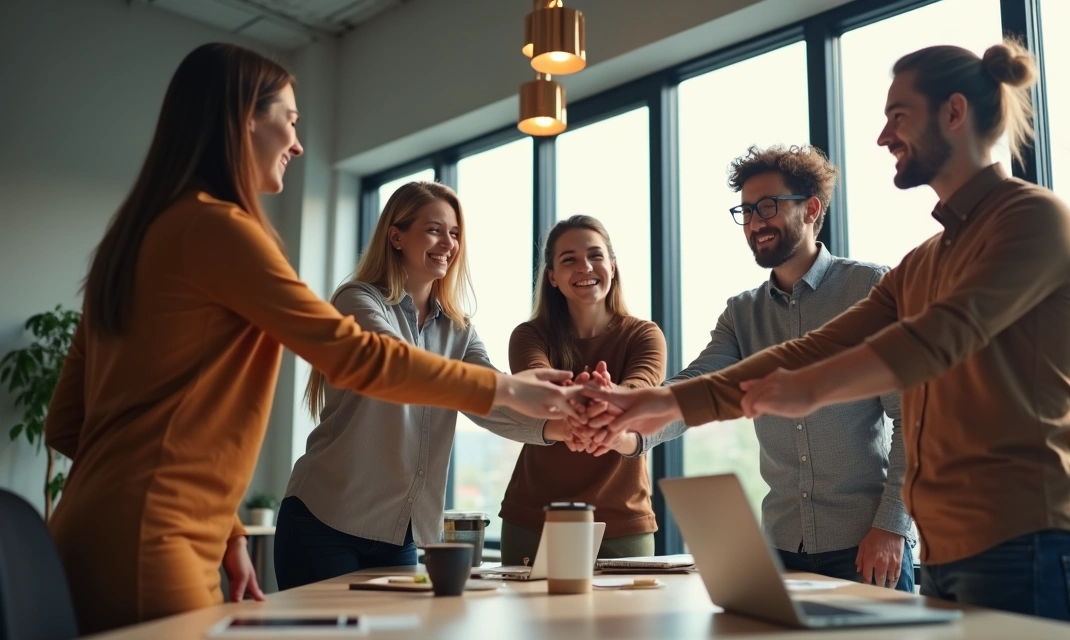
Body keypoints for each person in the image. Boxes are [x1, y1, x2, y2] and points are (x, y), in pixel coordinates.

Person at [42, 43, 582, 634]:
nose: (297, 143)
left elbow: (68, 423)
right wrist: (506, 388)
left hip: (86, 534)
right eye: (291, 121)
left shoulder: (133, 240)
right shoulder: (223, 231)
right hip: (157, 542)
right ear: (247, 115)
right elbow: (357, 357)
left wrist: (224, 529)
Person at [585, 39, 1070, 623]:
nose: (883, 137)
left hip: (1026, 544)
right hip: (946, 553)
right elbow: (811, 349)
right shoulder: (924, 262)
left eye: (897, 116)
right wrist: (661, 401)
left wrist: (812, 387)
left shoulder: (1032, 218)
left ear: (954, 113)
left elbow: (935, 340)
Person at [591, 144, 912, 590]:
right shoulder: (742, 314)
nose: (756, 222)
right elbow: (695, 389)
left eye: (768, 206)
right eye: (746, 211)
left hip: (867, 546)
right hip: (780, 549)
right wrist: (626, 433)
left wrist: (893, 526)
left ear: (811, 208)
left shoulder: (869, 289)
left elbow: (913, 417)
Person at [274, 181, 586, 589]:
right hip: (325, 522)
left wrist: (559, 427)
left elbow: (488, 399)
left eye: (455, 233)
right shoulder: (358, 301)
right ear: (396, 236)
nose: (449, 243)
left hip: (400, 534)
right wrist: (511, 388)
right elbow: (396, 367)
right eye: (435, 229)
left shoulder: (459, 330)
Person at [498, 215, 666, 566]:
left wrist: (597, 396)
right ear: (552, 277)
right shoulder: (528, 336)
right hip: (534, 517)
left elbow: (639, 398)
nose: (585, 266)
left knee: (624, 622)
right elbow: (541, 390)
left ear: (613, 266)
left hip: (621, 518)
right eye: (569, 259)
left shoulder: (645, 335)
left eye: (595, 255)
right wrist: (602, 396)